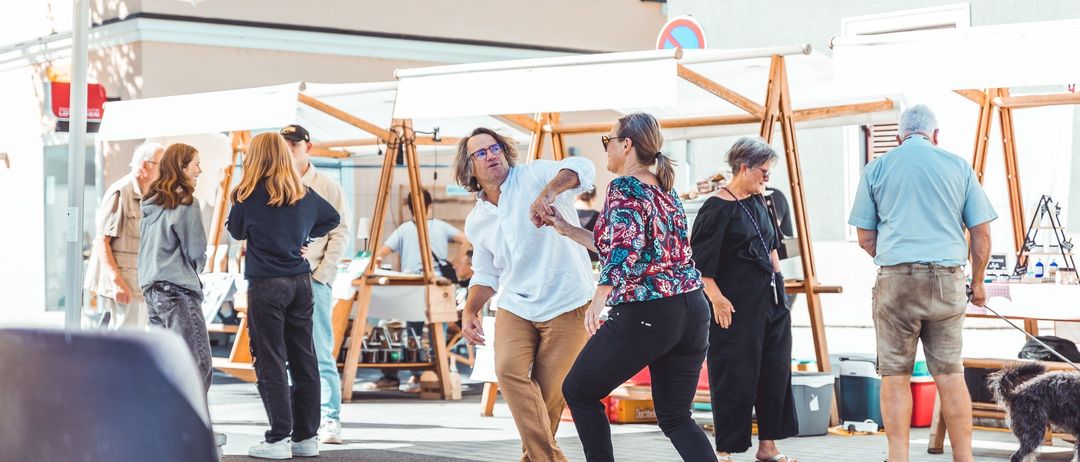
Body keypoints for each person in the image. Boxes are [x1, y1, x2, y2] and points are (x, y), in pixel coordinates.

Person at [545, 112, 715, 462]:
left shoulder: (624, 187)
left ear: (627, 145)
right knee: (676, 417)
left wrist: (601, 294)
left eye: (608, 141)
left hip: (650, 311)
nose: (605, 149)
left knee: (578, 391)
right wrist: (565, 228)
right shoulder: (664, 191)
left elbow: (625, 248)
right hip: (692, 309)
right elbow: (626, 244)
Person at [848, 104, 995, 462]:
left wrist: (898, 263)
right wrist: (977, 283)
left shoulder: (876, 168)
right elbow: (981, 233)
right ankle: (964, 458)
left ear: (897, 138)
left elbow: (866, 238)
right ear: (936, 135)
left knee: (895, 375)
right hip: (947, 279)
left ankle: (898, 457)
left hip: (896, 282)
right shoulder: (959, 166)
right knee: (949, 373)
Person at [455, 127, 595, 462]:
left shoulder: (534, 175)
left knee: (548, 399)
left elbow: (583, 167)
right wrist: (470, 310)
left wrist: (548, 193)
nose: (491, 155)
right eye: (481, 153)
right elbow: (487, 273)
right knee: (507, 370)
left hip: (568, 302)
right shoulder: (477, 220)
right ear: (469, 168)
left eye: (495, 148)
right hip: (516, 305)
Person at [227, 132, 340, 460]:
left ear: (255, 157)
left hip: (266, 285)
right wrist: (306, 236)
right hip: (301, 283)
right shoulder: (304, 193)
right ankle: (306, 438)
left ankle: (277, 439)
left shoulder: (246, 195)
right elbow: (332, 219)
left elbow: (235, 231)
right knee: (304, 357)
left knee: (271, 358)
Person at [690, 137, 799, 462]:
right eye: (763, 172)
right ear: (744, 167)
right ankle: (726, 448)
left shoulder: (762, 201)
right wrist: (717, 299)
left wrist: (782, 292)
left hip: (772, 302)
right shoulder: (716, 207)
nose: (767, 178)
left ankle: (768, 446)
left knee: (775, 371)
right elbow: (700, 263)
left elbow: (773, 248)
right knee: (735, 374)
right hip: (734, 305)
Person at [281, 124, 352, 444]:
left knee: (320, 350)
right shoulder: (275, 184)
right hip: (281, 279)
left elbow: (341, 232)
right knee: (286, 353)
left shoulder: (327, 185)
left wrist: (322, 274)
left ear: (308, 147)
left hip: (313, 280)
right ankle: (297, 420)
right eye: (285, 145)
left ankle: (330, 419)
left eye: (294, 145)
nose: (289, 150)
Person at [372, 188, 467, 393]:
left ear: (409, 208)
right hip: (439, 285)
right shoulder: (440, 226)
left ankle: (416, 375)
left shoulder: (404, 229)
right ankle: (437, 375)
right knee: (437, 333)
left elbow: (380, 254)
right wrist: (458, 261)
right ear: (429, 206)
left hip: (413, 287)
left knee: (412, 332)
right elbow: (466, 239)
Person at [138, 143, 211, 392]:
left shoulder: (152, 203)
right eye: (196, 165)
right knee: (197, 362)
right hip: (177, 289)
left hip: (152, 290)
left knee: (166, 364)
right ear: (182, 167)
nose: (200, 171)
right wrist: (198, 268)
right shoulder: (187, 203)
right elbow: (196, 252)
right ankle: (192, 426)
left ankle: (166, 424)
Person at [84, 142, 164, 329]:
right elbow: (101, 241)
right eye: (162, 164)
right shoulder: (121, 191)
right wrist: (117, 282)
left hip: (140, 282)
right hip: (125, 282)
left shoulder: (147, 195)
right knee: (126, 336)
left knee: (135, 339)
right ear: (145, 166)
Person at [574, 187, 601, 262]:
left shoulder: (564, 216)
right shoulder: (600, 217)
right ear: (594, 197)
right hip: (593, 263)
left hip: (572, 261)